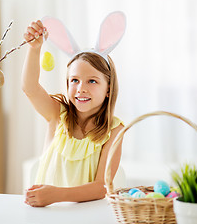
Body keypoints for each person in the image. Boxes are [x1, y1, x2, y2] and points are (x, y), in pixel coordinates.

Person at [21, 13, 126, 207]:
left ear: (108, 89)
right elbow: (30, 88)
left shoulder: (114, 131)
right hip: (46, 215)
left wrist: (55, 195)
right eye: (75, 80)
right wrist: (34, 49)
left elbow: (101, 186)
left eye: (92, 81)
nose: (81, 88)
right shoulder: (57, 115)